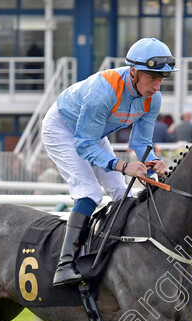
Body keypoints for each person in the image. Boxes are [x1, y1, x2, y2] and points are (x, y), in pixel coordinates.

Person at [41, 37, 171, 286]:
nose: (157, 86)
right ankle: (64, 265)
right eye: (152, 78)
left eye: (161, 79)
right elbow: (83, 144)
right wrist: (123, 166)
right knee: (89, 192)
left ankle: (114, 255)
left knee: (122, 192)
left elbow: (141, 143)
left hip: (92, 133)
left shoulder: (152, 98)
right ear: (133, 72)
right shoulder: (105, 90)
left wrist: (154, 162)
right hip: (62, 129)